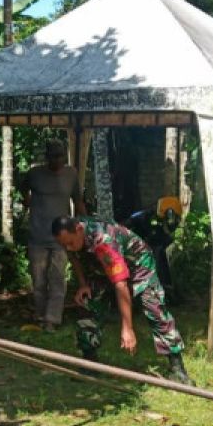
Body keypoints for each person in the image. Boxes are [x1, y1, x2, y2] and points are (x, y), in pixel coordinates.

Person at [52, 215, 190, 384]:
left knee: (154, 310)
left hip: (139, 266)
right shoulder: (71, 236)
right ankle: (89, 363)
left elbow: (120, 284)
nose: (68, 247)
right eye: (64, 245)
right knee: (86, 304)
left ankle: (177, 367)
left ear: (79, 230)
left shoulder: (104, 241)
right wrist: (83, 284)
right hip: (102, 268)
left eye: (70, 243)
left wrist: (127, 328)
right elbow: (74, 257)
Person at [19, 139, 85, 331]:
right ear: (46, 157)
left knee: (58, 279)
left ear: (65, 156)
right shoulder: (35, 174)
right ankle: (40, 315)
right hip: (38, 235)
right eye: (53, 156)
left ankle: (52, 319)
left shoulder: (71, 174)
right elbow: (22, 186)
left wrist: (85, 224)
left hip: (62, 238)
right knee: (38, 280)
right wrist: (26, 198)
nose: (57, 160)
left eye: (60, 156)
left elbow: (78, 200)